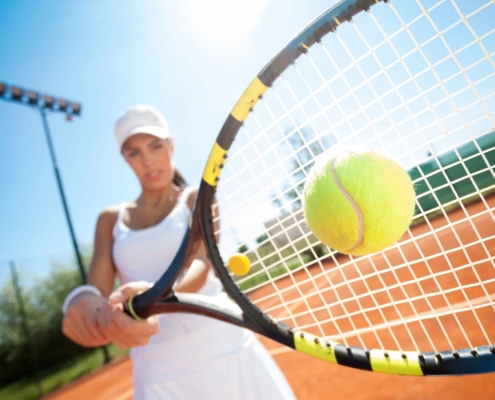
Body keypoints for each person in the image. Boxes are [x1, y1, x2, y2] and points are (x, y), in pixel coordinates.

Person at [61, 104, 295, 400]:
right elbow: (95, 289)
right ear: (125, 158)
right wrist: (81, 302)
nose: (148, 160)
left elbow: (200, 264)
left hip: (223, 345)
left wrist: (156, 295)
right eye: (134, 152)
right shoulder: (109, 219)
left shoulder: (197, 197)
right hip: (156, 371)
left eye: (155, 146)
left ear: (170, 146)